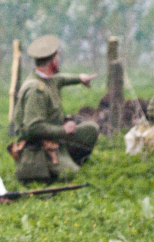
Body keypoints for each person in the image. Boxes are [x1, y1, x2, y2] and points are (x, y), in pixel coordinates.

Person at [11, 35, 99, 184]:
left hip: (55, 140)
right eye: (57, 57)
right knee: (71, 176)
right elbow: (33, 127)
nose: (59, 59)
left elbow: (61, 79)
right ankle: (57, 166)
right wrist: (63, 130)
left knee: (91, 129)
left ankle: (67, 160)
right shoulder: (36, 90)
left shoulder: (47, 79)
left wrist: (80, 78)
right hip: (38, 150)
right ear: (52, 62)